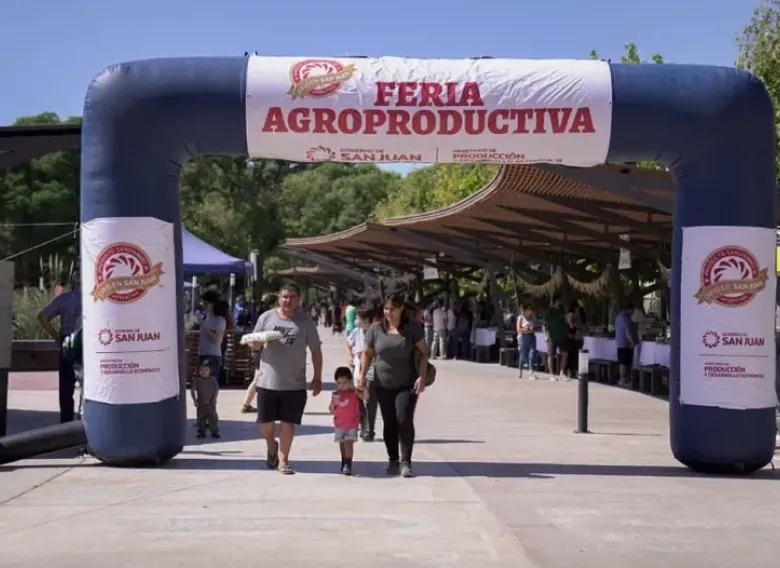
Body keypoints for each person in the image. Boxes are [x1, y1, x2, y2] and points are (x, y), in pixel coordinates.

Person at [249, 284, 323, 475]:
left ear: (298, 300)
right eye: (284, 297)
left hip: (294, 383)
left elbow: (316, 350)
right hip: (267, 381)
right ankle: (271, 445)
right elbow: (254, 344)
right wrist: (256, 344)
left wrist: (317, 377)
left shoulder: (305, 322)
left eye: (292, 297)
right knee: (266, 425)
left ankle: (283, 460)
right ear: (278, 298)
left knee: (287, 423)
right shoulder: (266, 317)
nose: (288, 300)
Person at [358, 294, 429, 478]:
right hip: (382, 383)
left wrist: (421, 376)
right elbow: (367, 353)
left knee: (403, 418)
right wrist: (362, 375)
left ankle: (406, 462)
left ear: (401, 309)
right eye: (386, 309)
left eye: (392, 308)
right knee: (389, 422)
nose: (388, 312)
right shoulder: (376, 329)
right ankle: (393, 460)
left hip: (406, 383)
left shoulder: (411, 328)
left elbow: (424, 352)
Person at [38, 271, 82, 423]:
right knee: (89, 385)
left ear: (72, 282)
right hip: (87, 344)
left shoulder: (64, 299)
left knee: (66, 386)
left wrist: (56, 336)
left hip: (67, 342)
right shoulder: (93, 298)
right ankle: (85, 419)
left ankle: (66, 422)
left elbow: (43, 316)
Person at [346, 308, 378, 441]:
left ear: (368, 320)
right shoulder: (356, 331)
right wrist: (349, 355)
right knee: (358, 397)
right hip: (358, 366)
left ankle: (370, 429)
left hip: (371, 368)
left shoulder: (376, 332)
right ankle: (364, 426)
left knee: (370, 398)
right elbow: (348, 343)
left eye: (360, 319)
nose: (357, 321)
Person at [329, 366, 364, 476]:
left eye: (345, 382)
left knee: (349, 443)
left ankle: (348, 463)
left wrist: (363, 387)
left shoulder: (354, 393)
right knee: (342, 443)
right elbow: (331, 410)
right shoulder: (336, 395)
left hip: (352, 424)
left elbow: (365, 396)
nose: (342, 385)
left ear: (350, 382)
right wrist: (333, 404)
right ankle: (344, 460)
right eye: (339, 383)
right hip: (339, 424)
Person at [198, 291, 228, 379]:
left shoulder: (220, 319)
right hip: (202, 353)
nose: (203, 306)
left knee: (210, 384)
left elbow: (217, 339)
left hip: (213, 355)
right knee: (201, 383)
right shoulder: (206, 316)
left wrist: (203, 325)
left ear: (212, 304)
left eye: (205, 303)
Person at [191, 359, 221, 439]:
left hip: (211, 404)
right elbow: (192, 390)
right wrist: (194, 400)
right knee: (200, 419)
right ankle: (202, 431)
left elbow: (216, 390)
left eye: (206, 370)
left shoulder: (213, 380)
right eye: (201, 370)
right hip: (201, 404)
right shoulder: (197, 380)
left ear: (210, 370)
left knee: (213, 419)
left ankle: (214, 431)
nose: (203, 372)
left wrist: (214, 399)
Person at [542, 296, 568, 381]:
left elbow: (564, 322)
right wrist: (545, 335)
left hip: (562, 336)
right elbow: (544, 324)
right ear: (555, 301)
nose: (560, 302)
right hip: (552, 336)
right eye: (559, 301)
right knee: (551, 355)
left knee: (564, 353)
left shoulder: (561, 311)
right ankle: (551, 374)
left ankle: (562, 372)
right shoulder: (549, 311)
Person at [615, 301, 638, 387]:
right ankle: (623, 379)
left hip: (619, 342)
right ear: (630, 309)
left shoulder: (618, 317)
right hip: (625, 343)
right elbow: (628, 332)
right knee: (625, 362)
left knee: (623, 362)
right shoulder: (626, 318)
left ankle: (624, 379)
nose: (633, 312)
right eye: (633, 310)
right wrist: (632, 342)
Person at [516, 306, 537, 380]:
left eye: (531, 310)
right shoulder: (521, 317)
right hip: (523, 338)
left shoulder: (533, 317)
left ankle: (531, 372)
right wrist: (525, 329)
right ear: (526, 311)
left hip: (531, 337)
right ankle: (520, 370)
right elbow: (518, 329)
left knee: (531, 354)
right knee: (523, 355)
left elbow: (535, 327)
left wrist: (533, 329)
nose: (530, 312)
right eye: (529, 310)